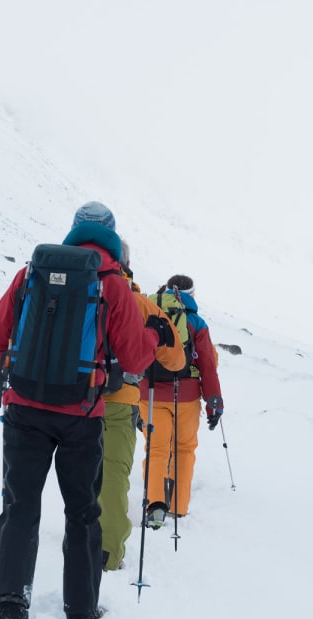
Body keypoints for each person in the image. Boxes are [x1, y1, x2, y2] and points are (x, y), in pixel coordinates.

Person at [0, 202, 174, 619]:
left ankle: (10, 609)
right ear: (110, 235)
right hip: (82, 416)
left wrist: (23, 374)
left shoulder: (32, 272)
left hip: (24, 409)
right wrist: (152, 336)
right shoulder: (113, 283)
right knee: (83, 512)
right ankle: (81, 608)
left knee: (19, 507)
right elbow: (134, 358)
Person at [97, 239, 186, 571]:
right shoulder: (137, 301)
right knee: (113, 474)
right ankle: (106, 553)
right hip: (118, 400)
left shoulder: (71, 288)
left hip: (68, 398)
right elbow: (176, 359)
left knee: (79, 471)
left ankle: (76, 537)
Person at [138, 275, 224, 526]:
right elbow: (208, 366)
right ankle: (178, 508)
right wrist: (214, 401)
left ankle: (154, 508)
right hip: (186, 396)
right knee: (183, 450)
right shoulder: (196, 322)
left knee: (156, 449)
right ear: (192, 295)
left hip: (150, 392)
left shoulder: (148, 313)